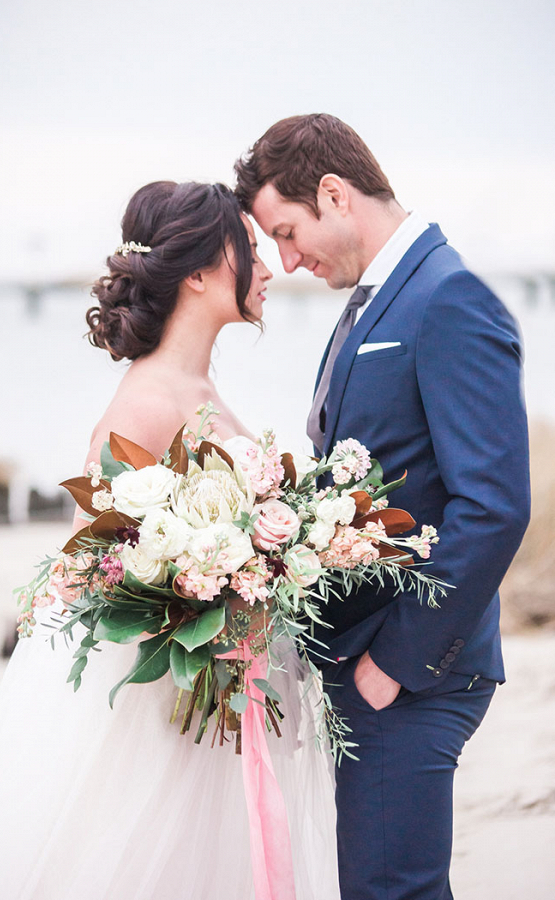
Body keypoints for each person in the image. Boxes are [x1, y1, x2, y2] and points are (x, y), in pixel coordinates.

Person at [0, 181, 341, 900]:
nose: (269, 270)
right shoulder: (148, 398)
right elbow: (83, 568)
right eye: (251, 252)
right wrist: (192, 587)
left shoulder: (201, 389)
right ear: (198, 272)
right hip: (167, 711)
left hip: (226, 693)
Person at [234, 114, 531, 900]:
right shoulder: (375, 301)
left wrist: (394, 665)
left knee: (391, 892)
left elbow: (495, 505)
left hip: (413, 674)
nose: (289, 261)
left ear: (334, 194)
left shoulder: (448, 297)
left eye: (288, 233)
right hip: (366, 667)